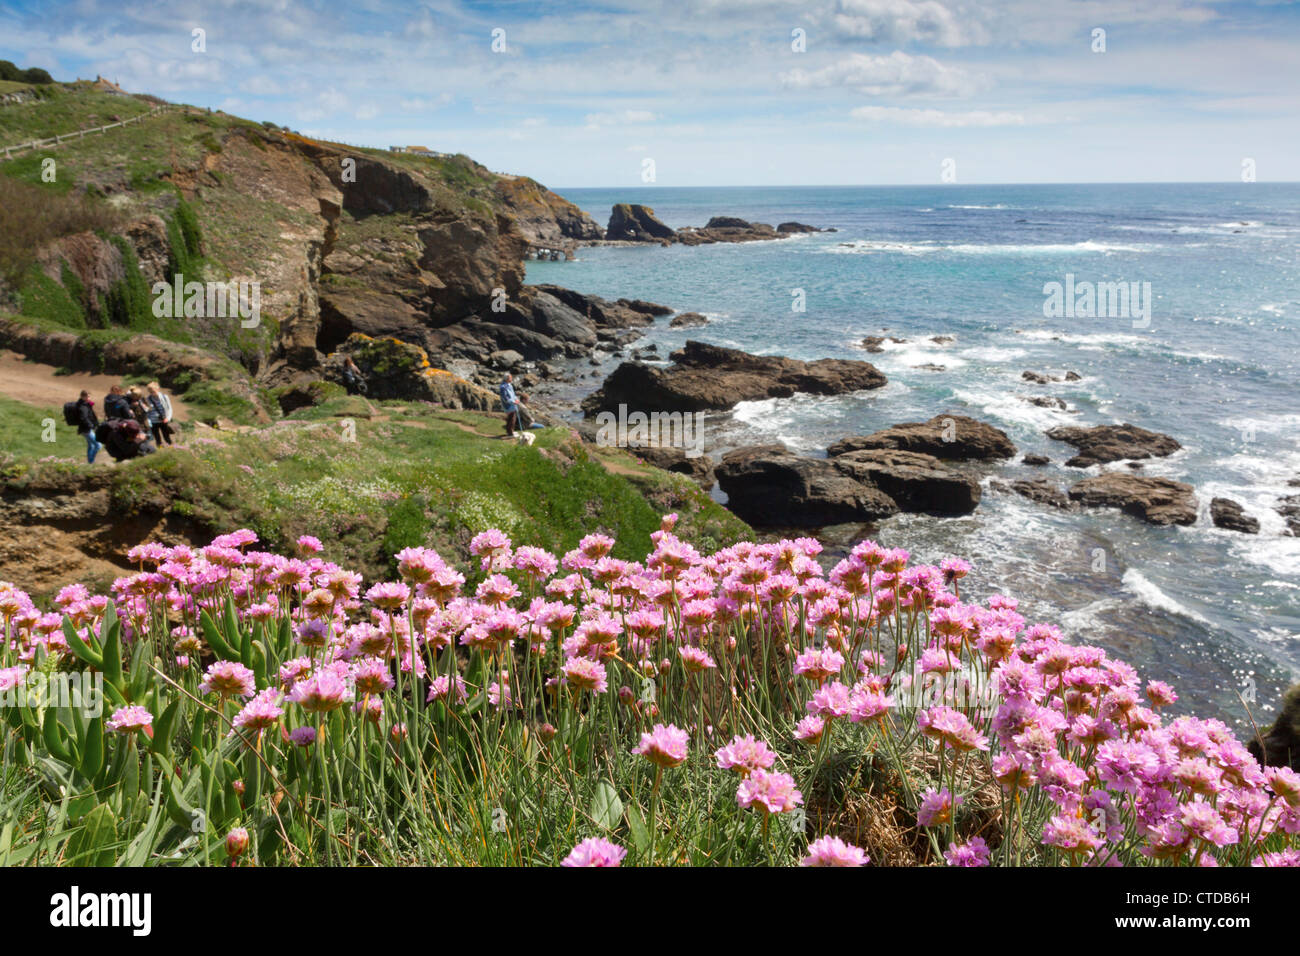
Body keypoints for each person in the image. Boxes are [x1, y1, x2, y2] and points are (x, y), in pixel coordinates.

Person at [145, 381, 175, 446]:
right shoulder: (148, 399)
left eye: (153, 392)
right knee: (157, 437)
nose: (152, 394)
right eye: (150, 392)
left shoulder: (165, 397)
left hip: (163, 420)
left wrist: (168, 418)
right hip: (153, 421)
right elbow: (147, 411)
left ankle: (171, 446)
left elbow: (169, 408)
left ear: (157, 389)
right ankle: (160, 448)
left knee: (166, 435)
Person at [74, 390, 100, 463]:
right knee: (98, 445)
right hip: (86, 430)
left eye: (89, 396)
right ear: (82, 396)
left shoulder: (84, 404)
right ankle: (91, 461)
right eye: (87, 396)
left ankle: (90, 462)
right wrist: (91, 425)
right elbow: (84, 418)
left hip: (84, 429)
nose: (88, 398)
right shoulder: (83, 406)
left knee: (91, 445)